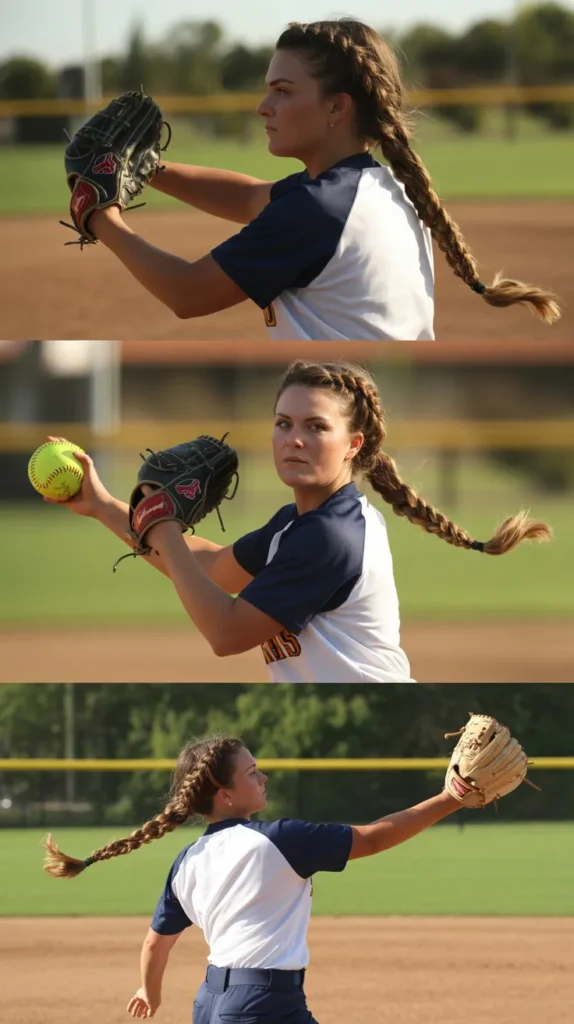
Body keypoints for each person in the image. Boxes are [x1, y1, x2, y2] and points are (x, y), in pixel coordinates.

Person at [45, 359, 551, 684]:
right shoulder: (300, 522)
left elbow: (225, 633)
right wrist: (105, 504)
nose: (294, 439)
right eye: (284, 424)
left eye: (316, 427)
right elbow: (213, 568)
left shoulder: (329, 537)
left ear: (353, 445)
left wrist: (162, 525)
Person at [82, 19, 560, 341]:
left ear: (337, 107)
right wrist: (147, 168)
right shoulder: (369, 188)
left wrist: (98, 213)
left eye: (283, 92)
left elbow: (186, 294)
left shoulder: (318, 209)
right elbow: (250, 197)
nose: (263, 107)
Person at [43, 734, 465, 1023]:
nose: (263, 777)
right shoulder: (281, 840)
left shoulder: (188, 860)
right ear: (225, 795)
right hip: (265, 1005)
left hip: (209, 1005)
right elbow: (374, 839)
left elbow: (156, 943)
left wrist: (150, 993)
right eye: (251, 772)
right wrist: (450, 798)